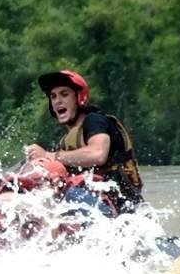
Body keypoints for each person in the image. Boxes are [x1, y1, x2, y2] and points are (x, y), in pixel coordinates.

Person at [25, 69, 144, 213]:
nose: (57, 101)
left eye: (64, 94)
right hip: (99, 203)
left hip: (123, 206)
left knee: (67, 194)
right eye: (53, 96)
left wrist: (49, 155)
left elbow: (97, 154)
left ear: (79, 98)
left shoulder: (95, 121)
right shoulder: (65, 142)